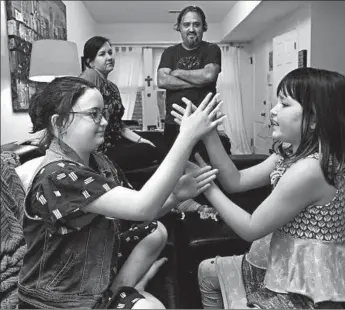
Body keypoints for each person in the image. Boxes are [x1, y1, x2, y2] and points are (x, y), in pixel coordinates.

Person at [172, 68, 345, 309]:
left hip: (309, 282)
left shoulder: (310, 169)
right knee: (208, 271)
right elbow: (235, 181)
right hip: (287, 258)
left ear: (313, 119)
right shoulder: (289, 153)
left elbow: (250, 228)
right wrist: (208, 134)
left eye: (284, 104)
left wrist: (206, 187)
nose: (273, 110)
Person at [18, 76, 225, 309]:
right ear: (59, 123)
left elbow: (136, 214)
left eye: (103, 112)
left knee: (155, 232)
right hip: (56, 300)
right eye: (93, 114)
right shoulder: (57, 177)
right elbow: (142, 206)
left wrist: (175, 195)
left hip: (89, 274)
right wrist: (186, 136)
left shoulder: (100, 162)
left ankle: (117, 292)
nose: (105, 121)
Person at [80, 36, 162, 171]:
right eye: (102, 54)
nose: (109, 57)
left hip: (116, 142)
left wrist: (140, 140)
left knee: (155, 142)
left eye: (110, 53)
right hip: (100, 150)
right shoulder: (90, 76)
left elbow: (119, 125)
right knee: (152, 151)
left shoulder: (112, 87)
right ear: (90, 62)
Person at [157, 5, 221, 153]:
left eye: (196, 24)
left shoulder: (212, 49)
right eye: (186, 24)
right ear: (179, 27)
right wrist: (199, 82)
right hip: (174, 123)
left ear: (203, 27)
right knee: (174, 171)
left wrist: (178, 72)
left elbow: (209, 75)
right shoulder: (170, 52)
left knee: (206, 169)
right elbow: (162, 80)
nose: (191, 29)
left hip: (204, 121)